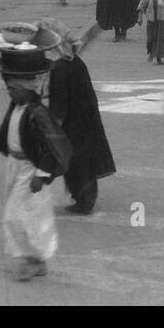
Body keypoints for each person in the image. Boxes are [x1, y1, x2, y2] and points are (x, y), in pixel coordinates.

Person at [0, 47, 71, 281]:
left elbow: (50, 146)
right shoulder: (18, 107)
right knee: (26, 214)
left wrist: (41, 173)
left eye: (13, 88)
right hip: (16, 166)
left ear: (26, 88)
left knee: (15, 216)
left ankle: (33, 259)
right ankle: (35, 260)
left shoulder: (38, 113)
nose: (10, 93)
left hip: (30, 170)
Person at [40, 19, 115, 215]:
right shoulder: (74, 61)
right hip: (84, 116)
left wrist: (52, 128)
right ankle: (84, 198)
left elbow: (59, 104)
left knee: (75, 161)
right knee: (80, 160)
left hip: (72, 121)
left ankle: (84, 200)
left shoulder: (59, 69)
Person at [136, 0, 164, 64]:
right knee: (150, 39)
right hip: (151, 20)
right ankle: (150, 52)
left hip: (161, 20)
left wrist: (161, 0)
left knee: (160, 39)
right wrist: (140, 17)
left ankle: (159, 58)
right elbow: (142, 5)